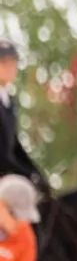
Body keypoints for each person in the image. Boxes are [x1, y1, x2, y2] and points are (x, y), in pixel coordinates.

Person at [0, 39, 51, 199]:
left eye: (12, 63)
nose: (9, 68)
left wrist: (37, 174)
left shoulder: (9, 102)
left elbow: (14, 146)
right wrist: (28, 175)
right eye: (3, 62)